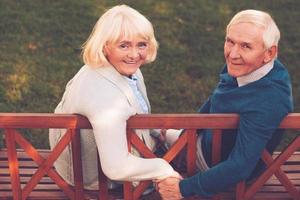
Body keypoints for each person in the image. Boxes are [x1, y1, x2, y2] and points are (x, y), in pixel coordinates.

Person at [157, 9, 293, 199]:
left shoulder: (267, 100)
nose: (233, 54)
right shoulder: (251, 67)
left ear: (269, 52)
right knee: (162, 134)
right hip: (207, 142)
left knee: (154, 134)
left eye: (246, 46)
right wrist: (189, 131)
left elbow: (240, 167)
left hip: (213, 164)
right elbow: (216, 96)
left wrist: (183, 188)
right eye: (230, 42)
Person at [49, 4, 179, 191]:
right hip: (96, 183)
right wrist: (164, 169)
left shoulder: (123, 70)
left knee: (191, 142)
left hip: (113, 157)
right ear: (105, 46)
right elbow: (116, 168)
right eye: (124, 45)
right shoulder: (105, 97)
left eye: (141, 44)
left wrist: (165, 134)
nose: (134, 55)